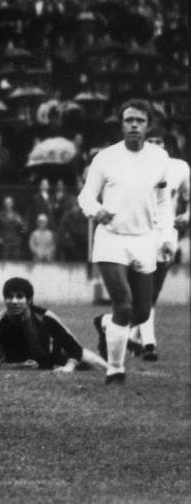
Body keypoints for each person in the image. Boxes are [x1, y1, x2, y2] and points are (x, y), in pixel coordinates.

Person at [79, 99, 172, 384]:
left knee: (142, 312)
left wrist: (165, 236)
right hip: (112, 239)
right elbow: (85, 196)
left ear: (148, 125)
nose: (134, 125)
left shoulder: (160, 158)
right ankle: (115, 369)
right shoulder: (105, 158)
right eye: (129, 120)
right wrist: (97, 212)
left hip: (144, 239)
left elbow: (163, 200)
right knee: (123, 303)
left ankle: (107, 325)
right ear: (121, 124)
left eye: (139, 121)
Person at [124, 128, 188, 361]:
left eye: (157, 141)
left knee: (151, 294)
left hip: (166, 236)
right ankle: (149, 344)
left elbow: (188, 196)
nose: (153, 144)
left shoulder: (179, 167)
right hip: (139, 233)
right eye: (149, 140)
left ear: (166, 144)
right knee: (145, 291)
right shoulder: (133, 166)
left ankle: (131, 335)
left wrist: (187, 215)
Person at [0, 277, 107, 372]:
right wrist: (19, 366)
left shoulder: (45, 317)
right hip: (41, 364)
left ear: (29, 300)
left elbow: (74, 347)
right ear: (5, 299)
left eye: (19, 296)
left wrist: (69, 367)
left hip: (61, 356)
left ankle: (105, 325)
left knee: (105, 368)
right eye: (9, 297)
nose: (14, 301)